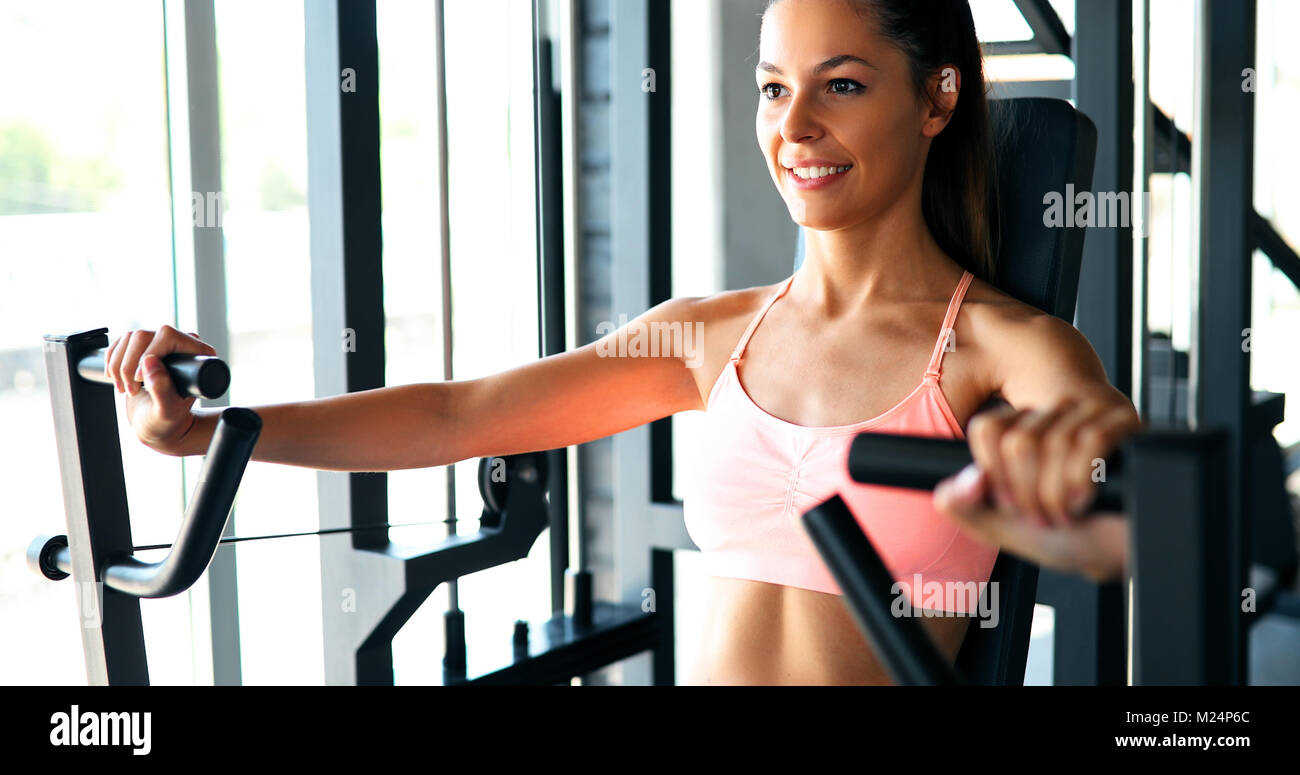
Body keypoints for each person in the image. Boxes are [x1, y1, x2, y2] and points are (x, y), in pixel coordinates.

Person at [104, 0, 1140, 685]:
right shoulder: (712, 334)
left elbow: (1126, 496)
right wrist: (216, 434)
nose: (794, 127)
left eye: (843, 84)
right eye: (773, 88)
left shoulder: (1001, 351)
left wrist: (1084, 474)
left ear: (938, 98)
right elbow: (460, 414)